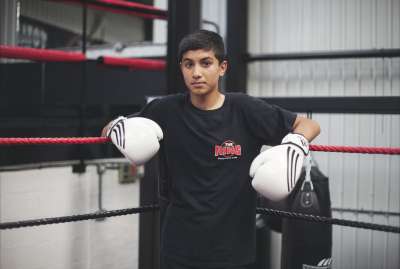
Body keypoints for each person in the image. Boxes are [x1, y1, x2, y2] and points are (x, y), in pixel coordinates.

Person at [102, 30, 320, 269]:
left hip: (233, 252)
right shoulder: (164, 111)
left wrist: (294, 146)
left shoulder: (245, 109)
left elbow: (309, 125)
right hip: (178, 250)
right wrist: (116, 127)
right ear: (181, 68)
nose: (196, 73)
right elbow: (108, 129)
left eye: (205, 63)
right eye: (188, 64)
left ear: (222, 67)